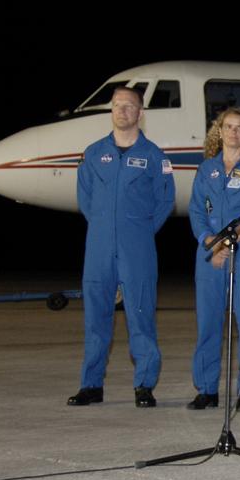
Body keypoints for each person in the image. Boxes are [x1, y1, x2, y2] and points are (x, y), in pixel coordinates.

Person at [69, 86, 175, 407]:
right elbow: (86, 199)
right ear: (111, 111)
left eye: (130, 107)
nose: (123, 111)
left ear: (140, 113)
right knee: (96, 317)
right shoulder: (93, 153)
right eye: (118, 106)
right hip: (99, 247)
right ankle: (91, 385)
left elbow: (165, 201)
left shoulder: (155, 156)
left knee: (141, 314)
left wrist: (138, 231)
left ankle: (144, 384)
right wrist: (105, 226)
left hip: (137, 248)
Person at [187, 107, 240, 411]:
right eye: (229, 127)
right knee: (208, 322)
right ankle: (207, 389)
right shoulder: (206, 170)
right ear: (219, 131)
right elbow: (197, 210)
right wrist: (210, 242)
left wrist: (231, 240)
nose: (234, 133)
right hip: (210, 254)